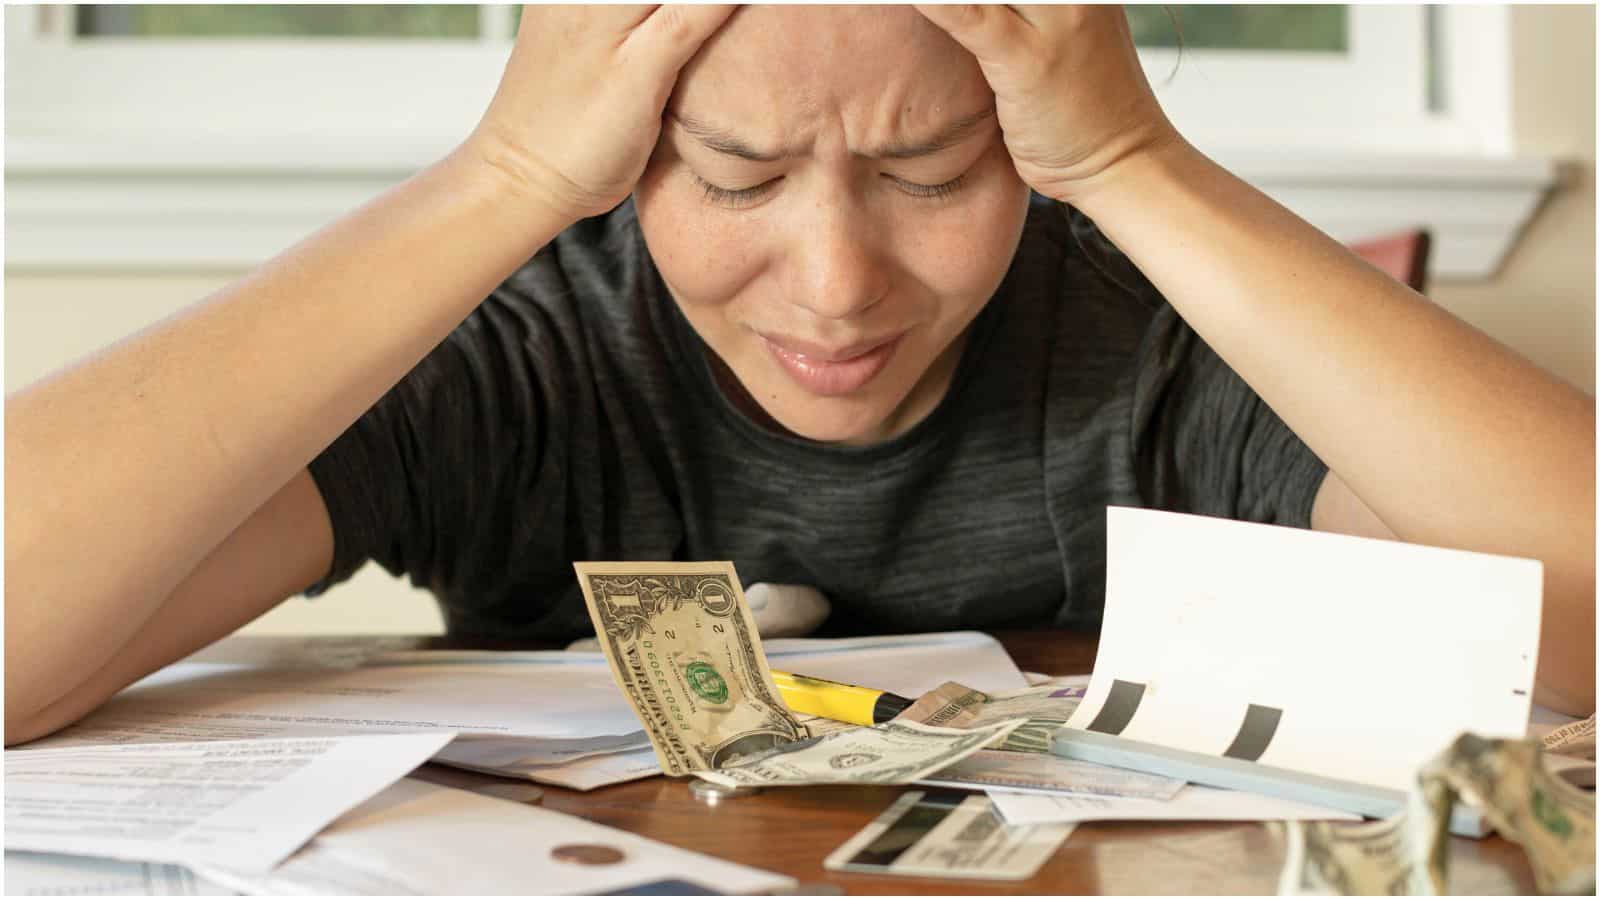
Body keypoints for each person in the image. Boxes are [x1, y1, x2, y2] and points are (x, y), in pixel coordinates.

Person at [6, 5, 1593, 748]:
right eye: (739, 177)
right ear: (622, 167)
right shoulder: (531, 346)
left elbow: (1579, 622)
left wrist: (1132, 159)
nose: (837, 285)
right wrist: (498, 177)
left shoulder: (1155, 323)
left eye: (931, 170)